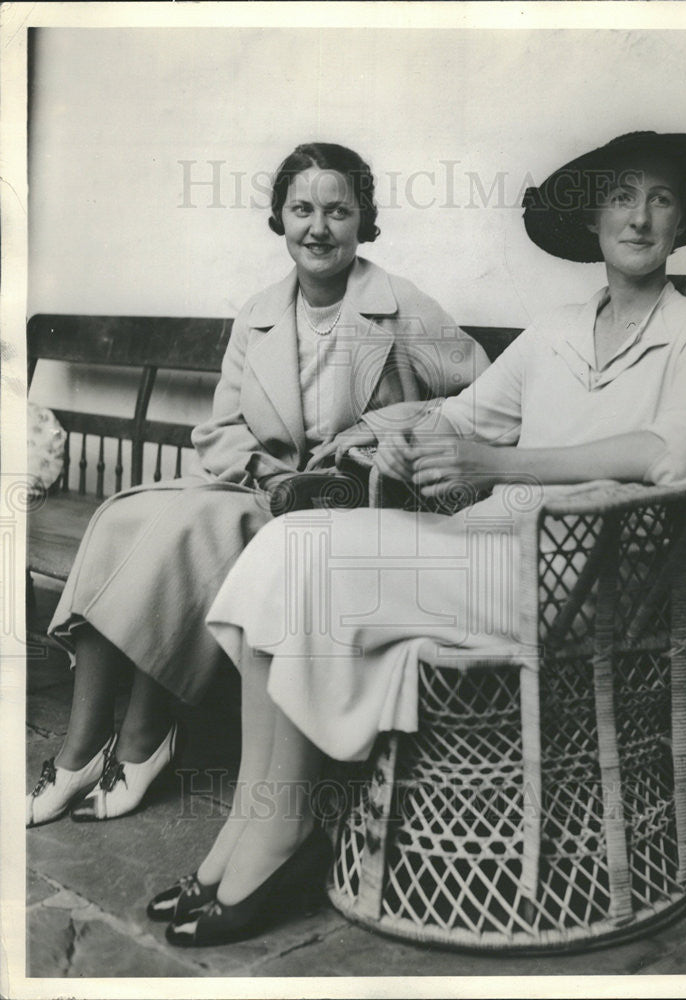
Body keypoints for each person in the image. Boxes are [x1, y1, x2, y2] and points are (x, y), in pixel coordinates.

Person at [152, 131, 686, 946]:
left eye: (660, 199)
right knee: (284, 548)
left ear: (683, 222)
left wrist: (500, 461)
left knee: (319, 569)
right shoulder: (556, 328)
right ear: (592, 219)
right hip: (498, 552)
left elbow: (665, 454)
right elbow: (462, 416)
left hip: (598, 585)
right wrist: (394, 434)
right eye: (622, 196)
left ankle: (280, 835)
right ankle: (254, 824)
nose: (640, 217)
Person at [26, 141, 489, 828]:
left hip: (343, 510)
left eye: (338, 211)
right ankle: (79, 750)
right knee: (125, 521)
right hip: (262, 493)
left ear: (365, 221)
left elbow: (483, 391)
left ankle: (143, 741)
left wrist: (383, 427)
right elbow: (221, 430)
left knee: (190, 529)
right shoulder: (260, 312)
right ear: (280, 219)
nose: (319, 227)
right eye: (302, 209)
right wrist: (268, 477)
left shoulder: (399, 307)